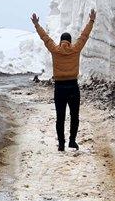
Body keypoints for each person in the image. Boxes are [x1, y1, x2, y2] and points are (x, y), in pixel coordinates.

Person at [31, 9, 95, 151]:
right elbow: (84, 36)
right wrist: (91, 21)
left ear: (61, 41)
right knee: (74, 116)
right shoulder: (75, 49)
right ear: (70, 41)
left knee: (60, 117)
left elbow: (45, 38)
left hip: (59, 88)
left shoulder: (55, 49)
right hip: (73, 87)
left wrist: (36, 24)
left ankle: (61, 144)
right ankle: (72, 141)